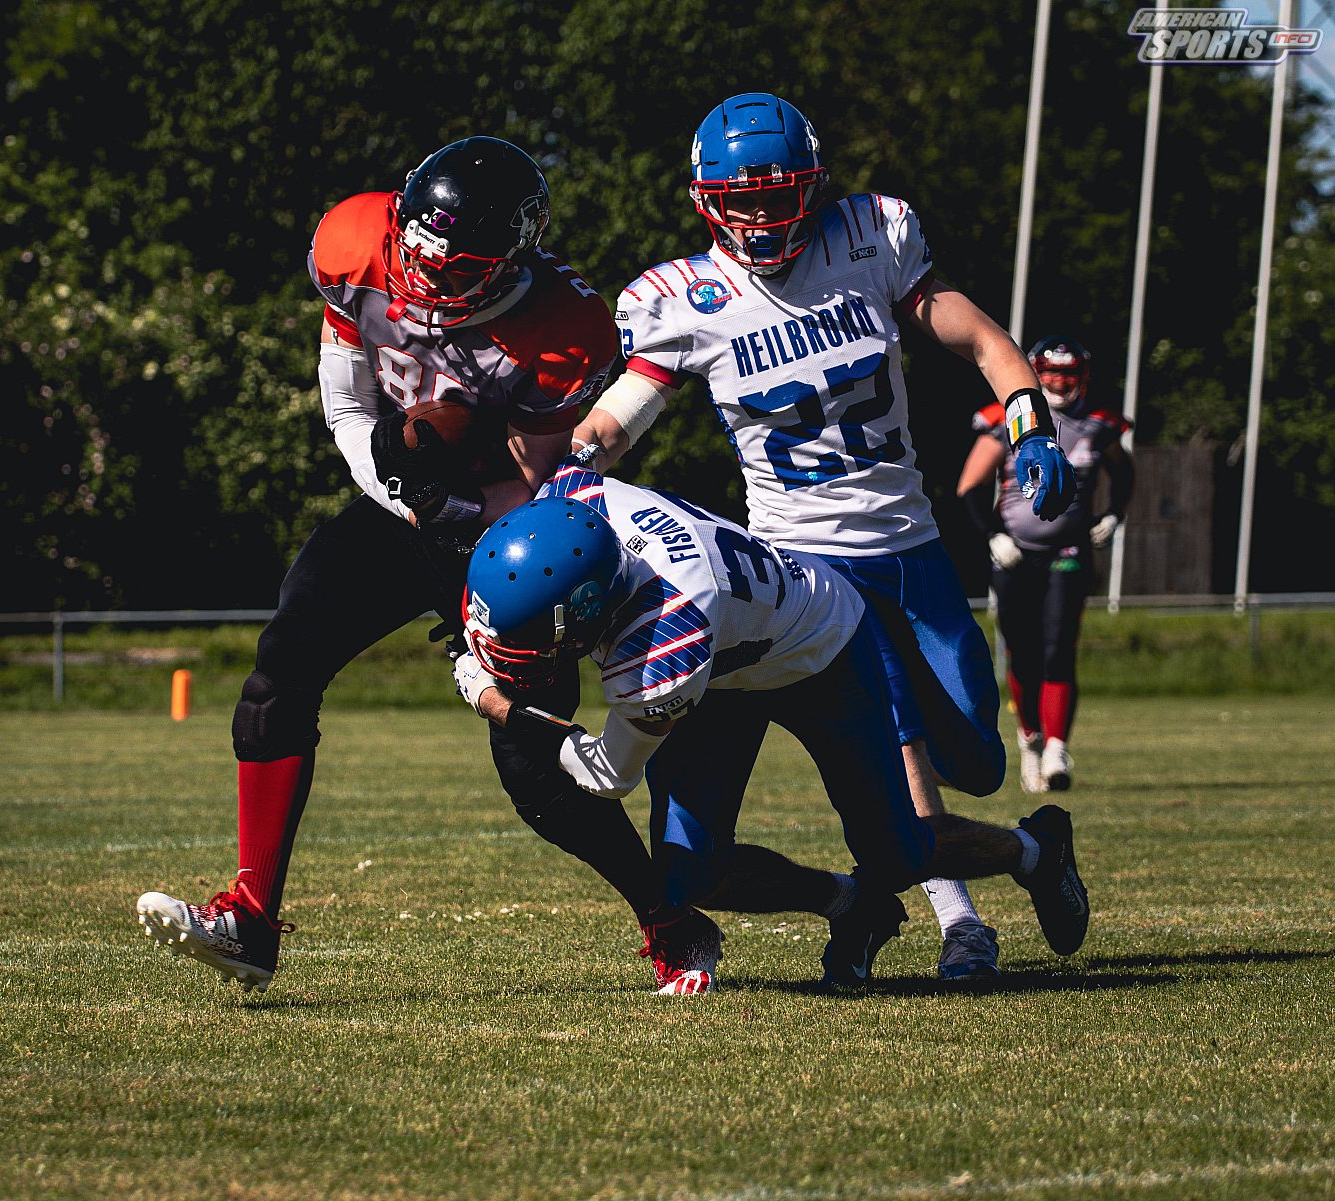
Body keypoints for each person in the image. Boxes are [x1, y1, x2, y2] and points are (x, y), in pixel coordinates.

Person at [561, 92, 1081, 983]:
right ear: (707, 200)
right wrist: (574, 462)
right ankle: (959, 924)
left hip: (913, 547)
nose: (763, 217)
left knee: (978, 760)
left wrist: (1031, 423)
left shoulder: (868, 239)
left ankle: (1030, 850)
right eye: (744, 199)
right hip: (808, 563)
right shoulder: (686, 299)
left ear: (813, 186)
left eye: (780, 194)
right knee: (903, 755)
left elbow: (983, 340)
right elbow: (620, 416)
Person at [135, 136, 665, 991]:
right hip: (403, 502)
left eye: (458, 267)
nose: (427, 278)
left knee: (535, 774)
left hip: (505, 529)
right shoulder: (357, 242)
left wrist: (452, 508)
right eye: (420, 252)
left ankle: (667, 916)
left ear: (511, 259)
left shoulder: (563, 325)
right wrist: (404, 489)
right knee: (281, 668)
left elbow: (534, 480)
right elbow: (348, 409)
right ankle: (251, 917)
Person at [451, 467, 1090, 994]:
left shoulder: (664, 640)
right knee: (689, 875)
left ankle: (1033, 850)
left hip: (821, 650)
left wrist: (493, 702)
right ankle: (851, 904)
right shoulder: (571, 498)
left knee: (895, 854)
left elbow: (607, 774)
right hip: (727, 651)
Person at [957, 335, 1134, 792]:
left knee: (1058, 648)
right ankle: (1030, 738)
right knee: (1022, 651)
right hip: (1015, 552)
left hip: (1067, 550)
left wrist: (1112, 514)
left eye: (1067, 373)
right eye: (1051, 372)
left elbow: (1124, 473)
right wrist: (993, 534)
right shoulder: (1006, 419)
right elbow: (970, 486)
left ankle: (1057, 748)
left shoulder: (1098, 423)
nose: (1059, 382)